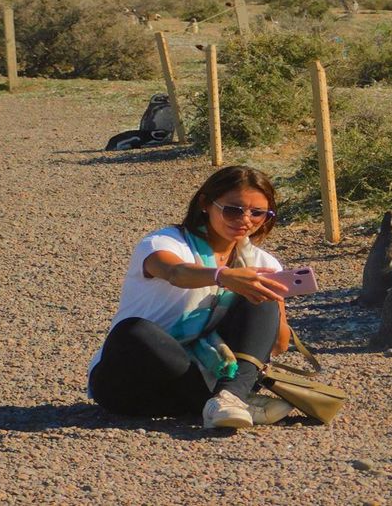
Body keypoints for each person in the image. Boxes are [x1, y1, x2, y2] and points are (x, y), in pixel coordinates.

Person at [87, 165, 296, 429]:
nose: (245, 220)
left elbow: (278, 344)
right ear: (206, 203)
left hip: (201, 382)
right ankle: (232, 402)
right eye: (233, 209)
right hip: (132, 382)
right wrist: (223, 276)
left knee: (260, 296)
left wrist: (274, 297)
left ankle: (228, 397)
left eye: (258, 213)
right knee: (133, 332)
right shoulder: (163, 242)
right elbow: (174, 272)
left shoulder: (263, 264)